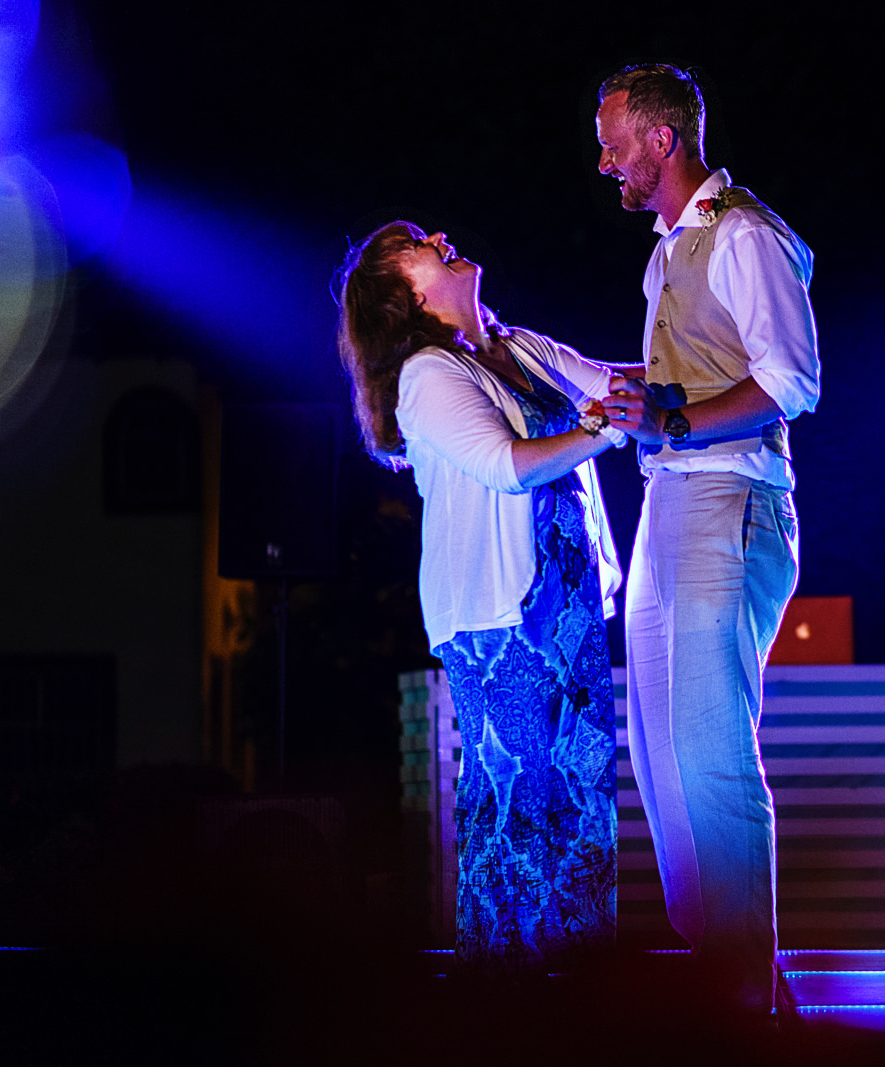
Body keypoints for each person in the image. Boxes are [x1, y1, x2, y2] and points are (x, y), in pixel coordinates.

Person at [333, 220, 632, 977]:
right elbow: (506, 465)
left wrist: (707, 367)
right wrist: (605, 431)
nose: (441, 236)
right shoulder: (427, 375)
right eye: (421, 243)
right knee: (520, 810)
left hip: (567, 614)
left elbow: (616, 381)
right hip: (500, 626)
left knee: (585, 805)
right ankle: (507, 1007)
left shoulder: (519, 347)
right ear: (410, 291)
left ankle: (583, 996)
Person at [595, 63, 821, 1016]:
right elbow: (673, 387)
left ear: (661, 140)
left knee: (710, 750)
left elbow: (792, 384)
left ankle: (744, 997)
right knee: (659, 756)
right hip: (673, 501)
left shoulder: (742, 235)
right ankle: (738, 979)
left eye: (612, 140)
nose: (602, 160)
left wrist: (673, 421)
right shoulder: (668, 250)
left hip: (728, 498)